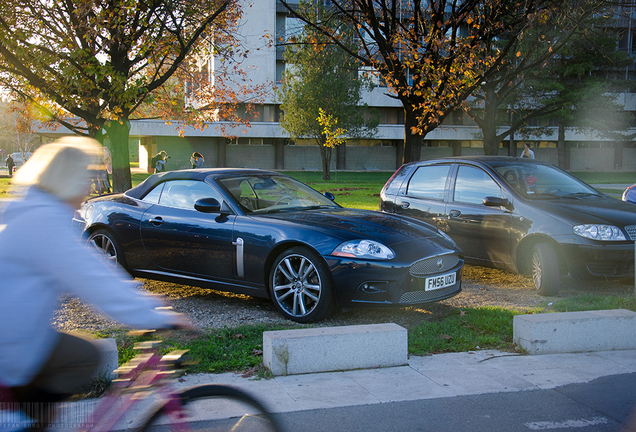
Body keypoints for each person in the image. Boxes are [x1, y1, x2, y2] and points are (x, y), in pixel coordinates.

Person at [0, 137, 185, 427]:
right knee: (84, 356)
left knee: (79, 356)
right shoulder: (43, 223)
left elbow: (94, 270)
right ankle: (23, 422)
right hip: (10, 345)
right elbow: (96, 282)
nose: (89, 187)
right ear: (68, 180)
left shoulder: (34, 211)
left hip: (17, 334)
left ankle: (30, 416)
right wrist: (154, 313)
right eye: (85, 178)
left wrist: (144, 303)